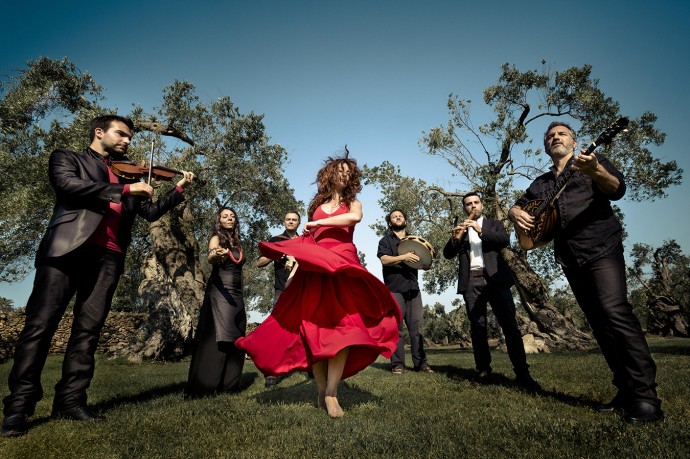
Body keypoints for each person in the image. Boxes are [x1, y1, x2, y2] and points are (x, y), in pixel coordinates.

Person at [2, 115, 195, 437]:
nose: (127, 141)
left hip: (110, 256)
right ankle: (19, 407)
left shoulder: (127, 173)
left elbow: (148, 212)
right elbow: (68, 186)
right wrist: (124, 188)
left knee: (87, 331)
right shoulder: (68, 158)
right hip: (66, 251)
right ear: (99, 132)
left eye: (130, 137)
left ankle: (71, 400)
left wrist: (177, 189)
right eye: (121, 134)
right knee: (39, 327)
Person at [509, 121, 663, 423]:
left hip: (601, 246)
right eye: (550, 136)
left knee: (615, 313)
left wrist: (596, 171)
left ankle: (646, 398)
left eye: (561, 134)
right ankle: (625, 391)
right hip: (569, 258)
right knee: (600, 324)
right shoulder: (540, 183)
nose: (555, 138)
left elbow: (617, 188)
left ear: (574, 141)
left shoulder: (592, 161)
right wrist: (515, 211)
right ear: (545, 147)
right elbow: (521, 207)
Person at [235, 154, 401, 418]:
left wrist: (319, 223)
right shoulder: (317, 204)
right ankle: (321, 390)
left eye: (349, 172)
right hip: (315, 270)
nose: (345, 175)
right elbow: (310, 243)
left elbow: (352, 220)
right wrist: (297, 269)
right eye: (340, 170)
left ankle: (332, 393)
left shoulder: (353, 203)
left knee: (345, 330)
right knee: (318, 332)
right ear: (331, 174)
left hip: (342, 264)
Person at [443, 192, 539, 391]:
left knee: (510, 325)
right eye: (468, 204)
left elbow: (503, 240)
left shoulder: (494, 224)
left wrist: (479, 230)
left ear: (482, 205)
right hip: (472, 280)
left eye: (476, 202)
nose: (472, 206)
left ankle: (522, 372)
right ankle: (483, 370)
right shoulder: (461, 229)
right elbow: (447, 254)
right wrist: (454, 239)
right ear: (464, 208)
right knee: (478, 327)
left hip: (495, 279)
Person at [185, 208, 247, 397]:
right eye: (225, 216)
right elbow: (211, 255)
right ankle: (205, 386)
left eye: (232, 216)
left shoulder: (237, 242)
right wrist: (216, 255)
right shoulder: (216, 238)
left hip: (237, 295)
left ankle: (229, 385)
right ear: (219, 221)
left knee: (236, 337)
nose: (229, 218)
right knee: (217, 338)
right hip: (220, 294)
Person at [377, 209, 433, 375]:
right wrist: (403, 257)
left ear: (405, 221)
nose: (398, 217)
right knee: (396, 328)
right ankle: (397, 364)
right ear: (390, 223)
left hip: (413, 289)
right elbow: (384, 260)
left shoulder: (414, 240)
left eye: (400, 215)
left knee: (416, 329)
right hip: (394, 289)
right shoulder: (385, 240)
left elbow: (424, 261)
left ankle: (421, 364)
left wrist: (425, 263)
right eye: (394, 216)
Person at [254, 211, 301, 387]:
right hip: (281, 290)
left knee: (305, 329)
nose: (291, 221)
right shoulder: (276, 240)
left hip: (302, 290)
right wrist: (276, 254)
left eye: (294, 219)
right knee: (277, 330)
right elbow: (259, 263)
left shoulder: (303, 240)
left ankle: (310, 368)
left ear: (298, 222)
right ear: (284, 221)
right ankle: (272, 373)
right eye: (288, 219)